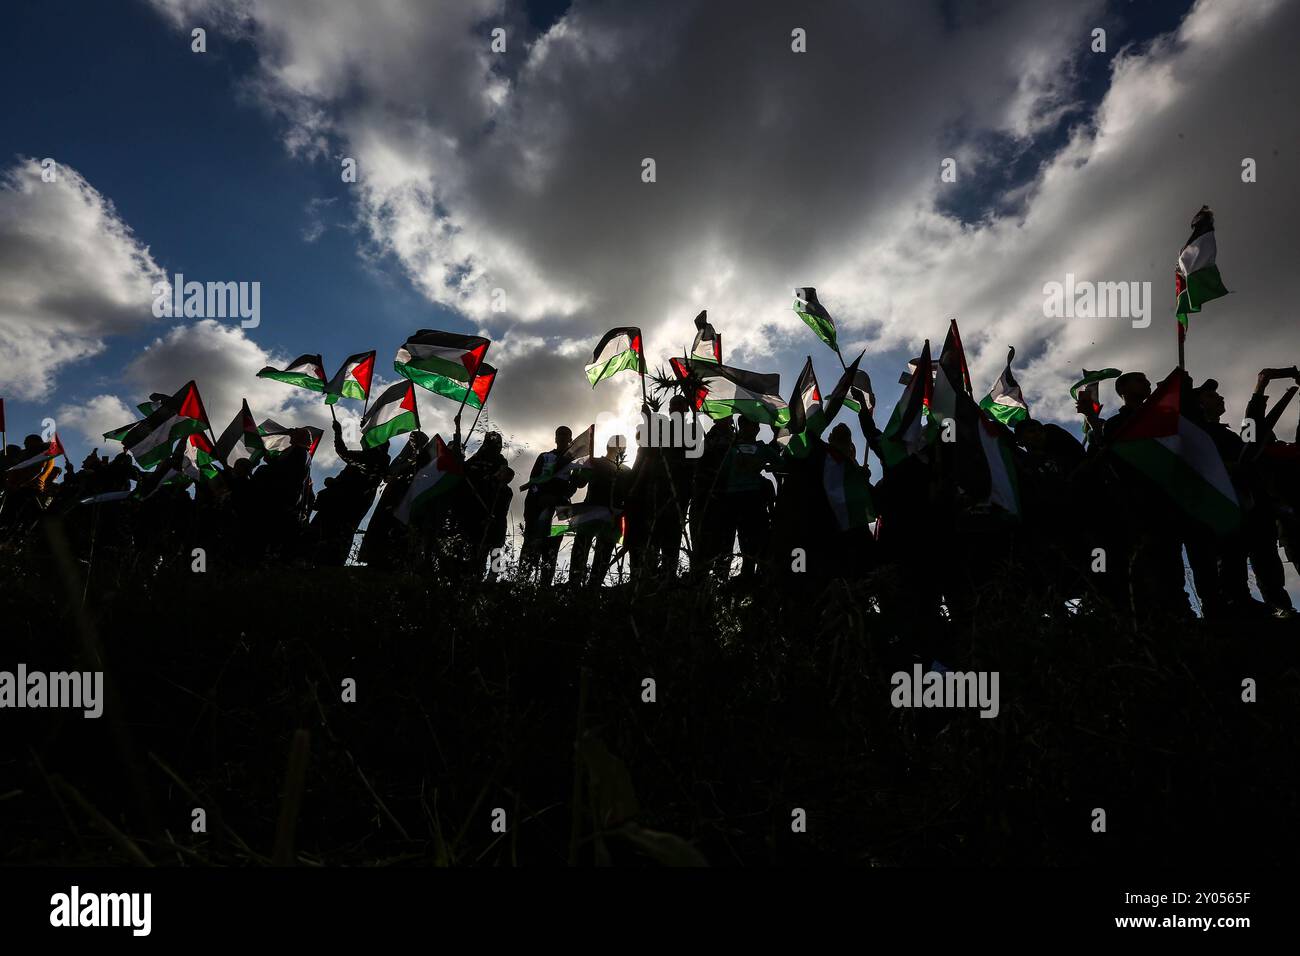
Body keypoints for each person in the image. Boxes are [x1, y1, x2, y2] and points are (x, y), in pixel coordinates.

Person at [520, 426, 581, 584]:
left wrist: (560, 497)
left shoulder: (575, 461)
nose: (562, 437)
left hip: (561, 509)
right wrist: (534, 505)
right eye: (559, 434)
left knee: (551, 552)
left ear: (570, 439)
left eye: (565, 435)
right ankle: (521, 583)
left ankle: (544, 589)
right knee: (530, 548)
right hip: (538, 506)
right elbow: (534, 480)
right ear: (555, 438)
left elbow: (575, 485)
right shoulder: (545, 456)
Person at [569, 435, 629, 588]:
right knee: (580, 551)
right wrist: (579, 470)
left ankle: (593, 588)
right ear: (608, 446)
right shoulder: (595, 462)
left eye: (621, 446)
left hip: (613, 518)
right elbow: (580, 483)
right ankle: (574, 585)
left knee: (604, 555)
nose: (619, 448)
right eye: (616, 445)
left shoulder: (627, 471)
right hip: (591, 511)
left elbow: (630, 495)